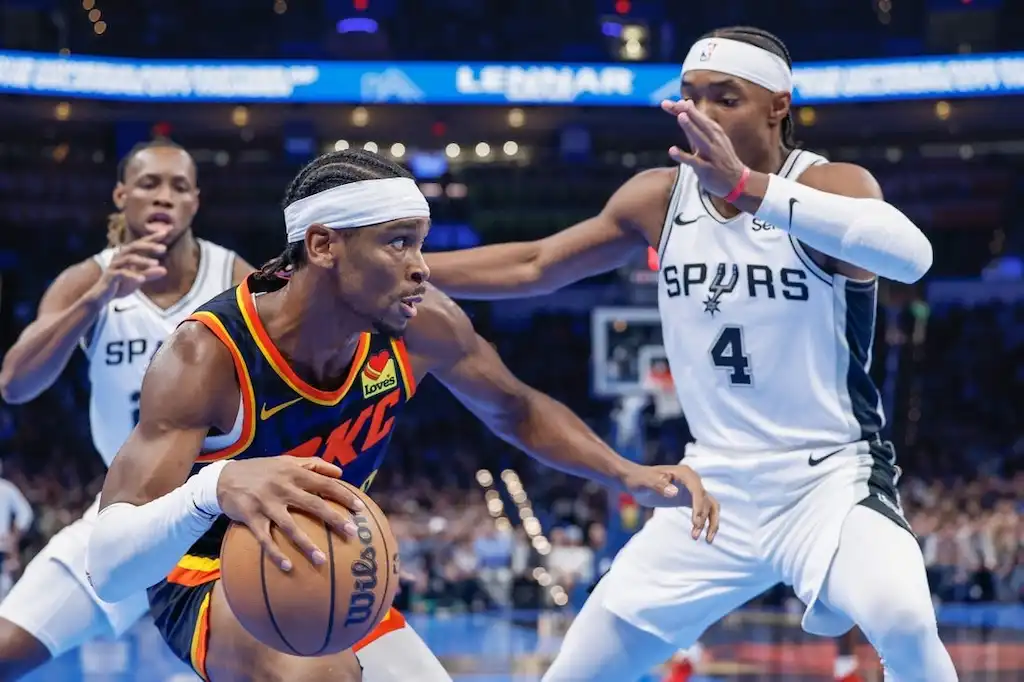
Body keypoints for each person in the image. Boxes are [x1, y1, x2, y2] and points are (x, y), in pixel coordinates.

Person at [423, 26, 957, 682]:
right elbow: (536, 264)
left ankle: (851, 598)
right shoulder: (659, 196)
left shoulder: (832, 186)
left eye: (724, 98)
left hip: (828, 481)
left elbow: (912, 256)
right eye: (689, 96)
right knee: (574, 673)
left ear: (778, 105)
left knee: (904, 622)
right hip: (713, 490)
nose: (699, 113)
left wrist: (746, 188)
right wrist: (409, 268)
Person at [83, 149, 720, 682]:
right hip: (204, 570)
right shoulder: (207, 356)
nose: (421, 266)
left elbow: (516, 408)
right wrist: (215, 488)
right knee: (318, 671)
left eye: (421, 244)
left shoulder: (420, 326)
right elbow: (110, 567)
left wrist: (624, 473)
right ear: (324, 245)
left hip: (331, 562)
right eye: (398, 244)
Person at [0, 139, 252, 680]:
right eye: (149, 184)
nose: (164, 196)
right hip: (128, 518)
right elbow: (15, 384)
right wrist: (97, 297)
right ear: (122, 196)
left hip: (224, 519)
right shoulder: (85, 280)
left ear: (195, 202)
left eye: (179, 186)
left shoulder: (232, 277)